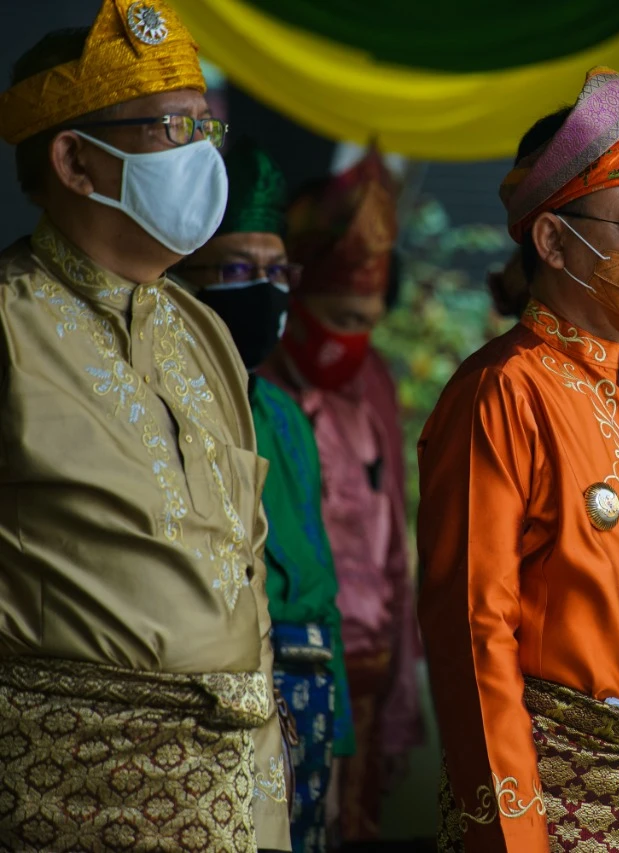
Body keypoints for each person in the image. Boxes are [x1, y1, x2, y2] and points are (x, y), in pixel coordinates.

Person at [0, 1, 290, 850]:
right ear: (75, 160)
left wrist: (265, 799)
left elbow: (246, 576)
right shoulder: (9, 327)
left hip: (228, 792)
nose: (202, 152)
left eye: (206, 126)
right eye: (172, 127)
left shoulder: (204, 334)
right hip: (62, 795)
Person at [418, 67, 619, 852]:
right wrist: (512, 834)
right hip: (560, 814)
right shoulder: (501, 391)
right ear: (553, 239)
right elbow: (470, 632)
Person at [176, 138, 356, 853]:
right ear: (187, 279)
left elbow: (326, 588)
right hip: (226, 687)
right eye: (240, 269)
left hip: (311, 685)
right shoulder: (173, 407)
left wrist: (337, 743)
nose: (267, 288)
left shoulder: (284, 415)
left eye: (278, 271)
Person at [259, 148, 423, 844]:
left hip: (372, 664)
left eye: (366, 320)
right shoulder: (260, 382)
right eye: (336, 313)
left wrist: (401, 686)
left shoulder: (377, 380)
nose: (350, 336)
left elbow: (394, 541)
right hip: (282, 658)